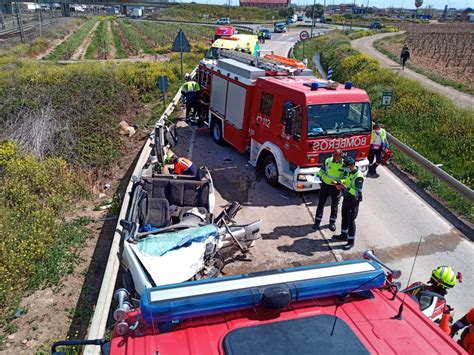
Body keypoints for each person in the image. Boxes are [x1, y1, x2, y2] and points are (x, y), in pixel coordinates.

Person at [332, 156, 364, 250]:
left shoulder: (358, 176)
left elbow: (358, 192)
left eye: (346, 166)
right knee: (344, 217)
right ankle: (343, 235)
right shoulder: (350, 172)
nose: (345, 168)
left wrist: (345, 187)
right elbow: (346, 180)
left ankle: (351, 241)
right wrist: (339, 183)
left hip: (353, 201)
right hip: (346, 198)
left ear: (352, 165)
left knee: (351, 221)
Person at [313, 149, 345, 232]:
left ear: (341, 156)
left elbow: (346, 177)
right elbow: (322, 170)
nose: (333, 157)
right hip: (325, 185)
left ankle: (332, 222)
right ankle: (317, 222)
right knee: (321, 203)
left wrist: (340, 182)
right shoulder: (328, 160)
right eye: (333, 155)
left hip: (335, 187)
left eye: (336, 156)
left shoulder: (344, 164)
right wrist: (320, 177)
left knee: (334, 206)